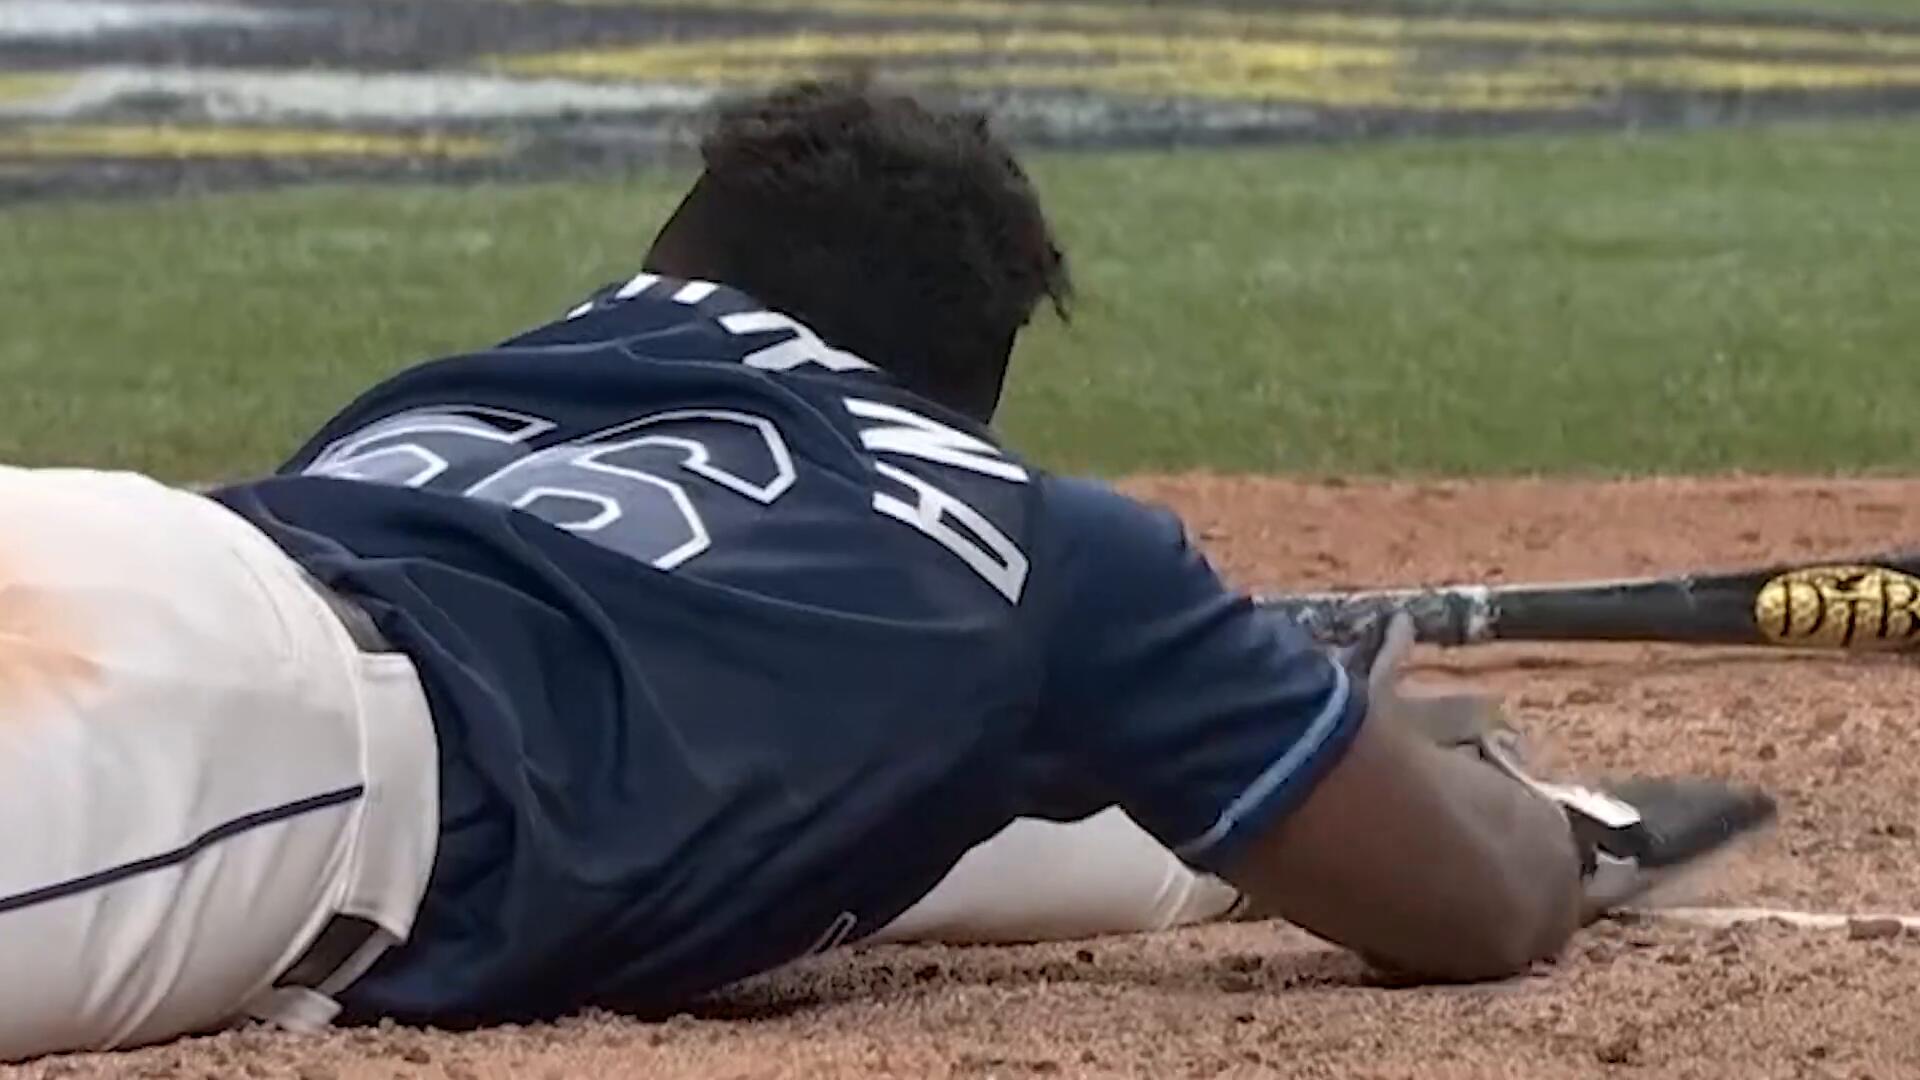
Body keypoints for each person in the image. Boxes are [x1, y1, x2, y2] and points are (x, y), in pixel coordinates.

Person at [0, 79, 1774, 1061]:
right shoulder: (1033, 543)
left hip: (142, 556)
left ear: (675, 263)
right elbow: (1472, 906)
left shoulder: (439, 403)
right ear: (963, 382)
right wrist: (1542, 824)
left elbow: (893, 828)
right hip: (256, 743)